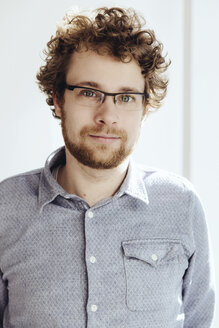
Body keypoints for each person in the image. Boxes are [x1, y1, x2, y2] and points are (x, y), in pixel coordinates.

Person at [0, 6, 215, 328]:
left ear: (144, 107)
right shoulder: (6, 205)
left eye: (126, 97)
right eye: (89, 92)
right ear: (58, 99)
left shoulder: (180, 204)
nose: (108, 115)